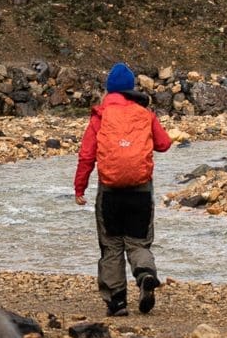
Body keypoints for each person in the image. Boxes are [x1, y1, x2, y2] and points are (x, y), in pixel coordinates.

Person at [73, 62, 172, 315]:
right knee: (138, 243)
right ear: (130, 89)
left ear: (109, 89)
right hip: (140, 189)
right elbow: (164, 144)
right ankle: (145, 274)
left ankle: (117, 302)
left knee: (112, 246)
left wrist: (79, 188)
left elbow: (87, 155)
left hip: (110, 192)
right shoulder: (145, 113)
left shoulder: (100, 115)